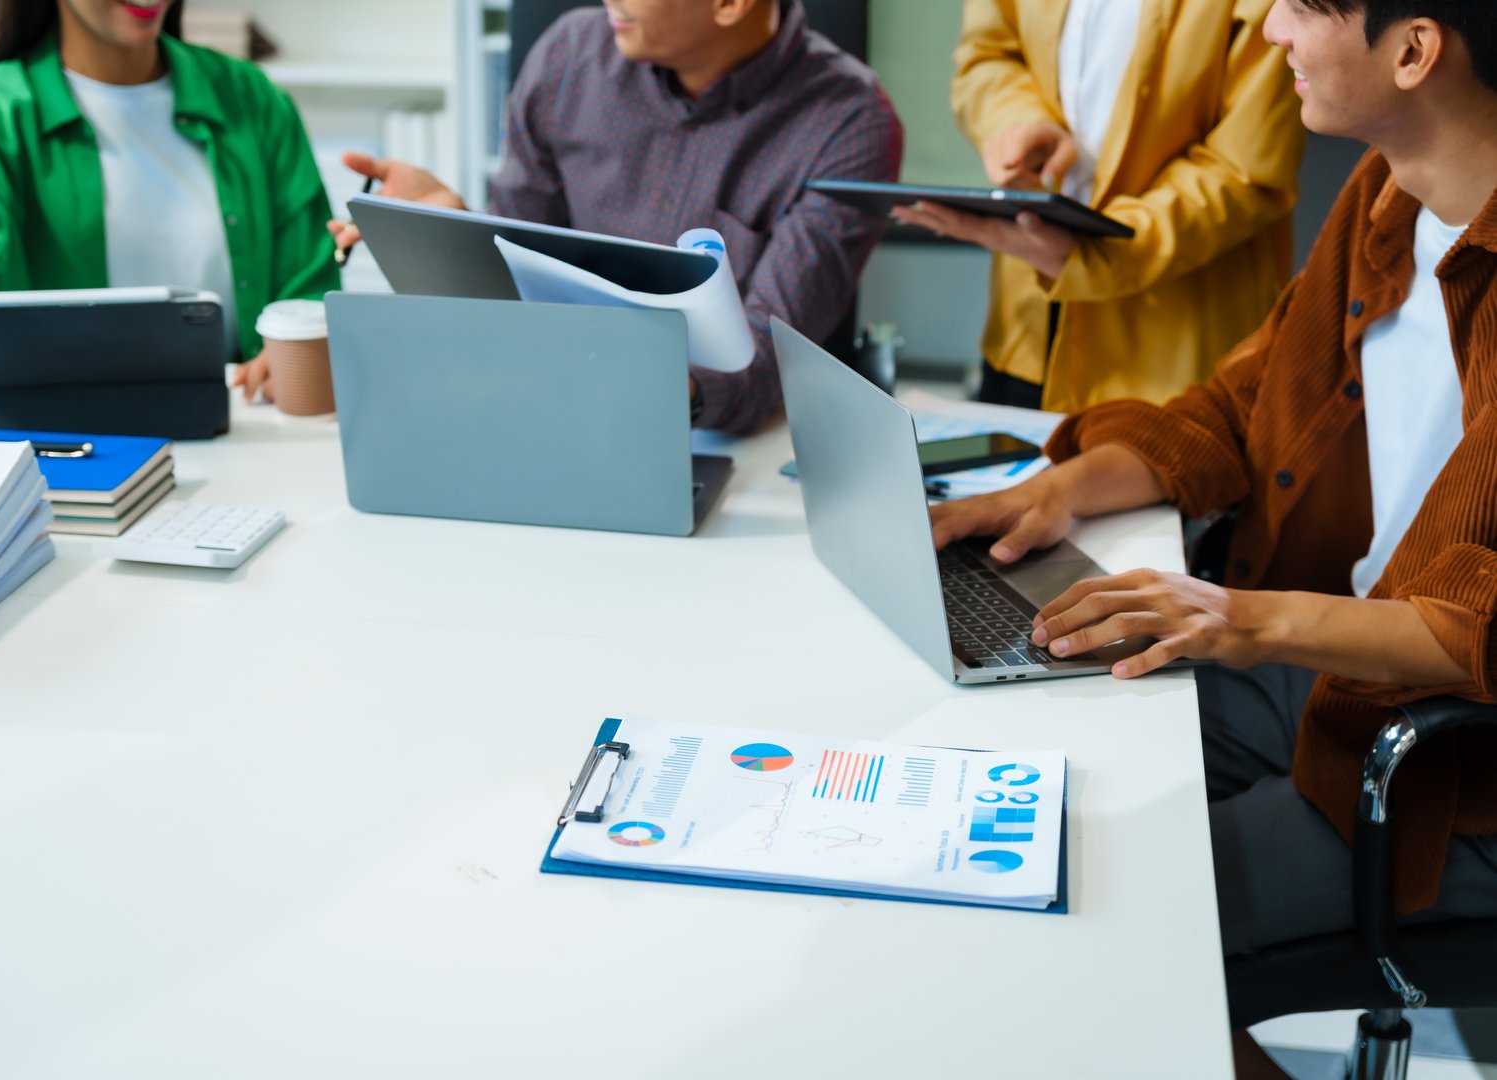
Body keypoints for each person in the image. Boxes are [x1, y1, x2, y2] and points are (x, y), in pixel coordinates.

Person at [929, 0, 1497, 1073]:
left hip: (1448, 771)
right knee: (1022, 736)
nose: (1271, 26)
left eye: (1304, 9)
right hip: (1327, 678)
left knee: (1098, 924)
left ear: (1416, 50)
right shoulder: (1389, 194)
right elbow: (1248, 404)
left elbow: (1478, 628)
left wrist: (1234, 617)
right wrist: (1065, 489)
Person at [278, 0, 903, 435]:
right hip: (541, 409)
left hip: (715, 444)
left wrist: (630, 380)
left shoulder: (851, 122)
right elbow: (520, 273)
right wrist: (457, 232)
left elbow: (762, 361)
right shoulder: (570, 54)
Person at [0, 0, 338, 381]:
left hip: (242, 430)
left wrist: (294, 354)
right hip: (70, 441)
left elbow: (310, 283)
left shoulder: (248, 95)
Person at [894, 0, 1305, 412]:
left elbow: (1246, 168)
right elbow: (988, 54)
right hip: (1028, 332)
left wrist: (1098, 251)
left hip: (1173, 353)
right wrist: (1016, 122)